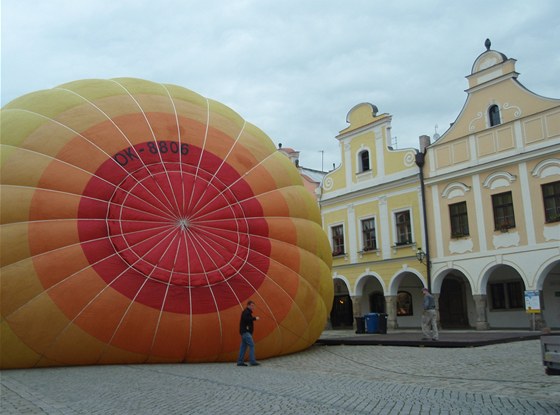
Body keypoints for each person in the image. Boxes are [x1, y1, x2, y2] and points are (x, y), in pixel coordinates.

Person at [237, 300, 260, 366]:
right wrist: (255, 318)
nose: (253, 307)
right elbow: (247, 319)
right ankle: (252, 361)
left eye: (253, 306)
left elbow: (247, 319)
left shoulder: (247, 312)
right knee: (252, 345)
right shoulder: (246, 312)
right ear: (248, 305)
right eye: (252, 306)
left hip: (244, 332)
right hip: (245, 332)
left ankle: (240, 361)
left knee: (243, 347)